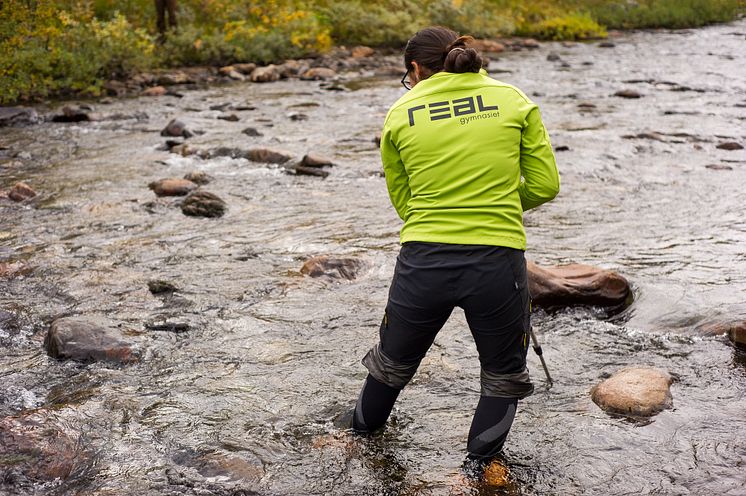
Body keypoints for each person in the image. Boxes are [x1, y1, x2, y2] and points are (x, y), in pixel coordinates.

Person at [349, 26, 560, 462]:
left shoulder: (400, 111)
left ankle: (357, 446)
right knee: (502, 377)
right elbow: (544, 185)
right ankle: (478, 475)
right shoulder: (514, 99)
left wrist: (441, 215)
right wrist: (494, 206)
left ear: (414, 68)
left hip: (423, 263)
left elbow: (404, 200)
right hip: (497, 264)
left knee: (390, 368)